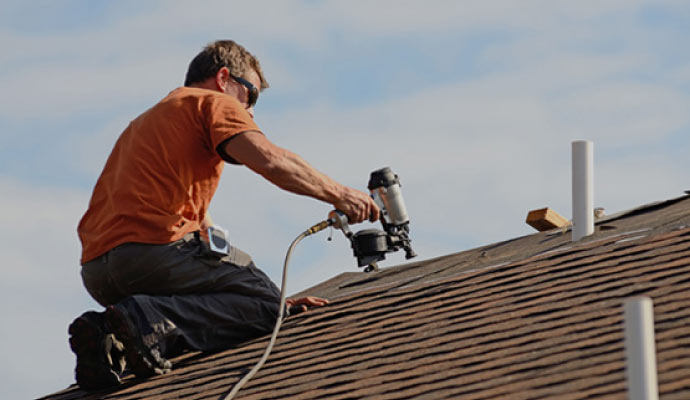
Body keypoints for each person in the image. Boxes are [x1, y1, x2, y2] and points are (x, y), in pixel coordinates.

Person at [70, 40, 379, 391]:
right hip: (153, 253)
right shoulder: (212, 102)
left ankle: (110, 339)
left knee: (255, 296)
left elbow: (200, 230)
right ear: (223, 78)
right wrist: (341, 195)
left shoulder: (146, 123)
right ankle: (145, 320)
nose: (250, 111)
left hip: (98, 272)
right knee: (268, 308)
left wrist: (255, 294)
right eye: (251, 96)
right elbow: (270, 160)